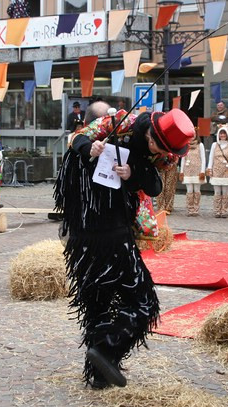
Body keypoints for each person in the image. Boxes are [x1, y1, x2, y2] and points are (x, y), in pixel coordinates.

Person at [53, 107, 194, 389]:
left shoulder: (162, 153)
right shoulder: (119, 123)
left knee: (104, 302)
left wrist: (133, 172)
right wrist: (90, 149)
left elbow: (154, 184)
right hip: (93, 229)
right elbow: (77, 139)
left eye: (162, 148)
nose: (156, 149)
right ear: (150, 130)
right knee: (135, 302)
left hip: (112, 227)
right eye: (155, 142)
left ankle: (99, 374)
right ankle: (106, 350)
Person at [206, 125, 228, 218]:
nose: (222, 135)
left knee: (225, 192)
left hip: (226, 171)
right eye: (221, 133)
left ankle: (224, 210)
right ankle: (217, 210)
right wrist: (209, 168)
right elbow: (211, 158)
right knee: (217, 192)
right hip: (216, 171)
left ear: (227, 134)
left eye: (224, 133)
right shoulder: (214, 145)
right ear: (218, 134)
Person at [180, 132, 206, 217]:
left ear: (196, 135)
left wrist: (202, 171)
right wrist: (181, 172)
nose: (192, 136)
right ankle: (190, 208)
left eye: (193, 134)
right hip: (187, 171)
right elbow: (183, 159)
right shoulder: (185, 145)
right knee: (190, 190)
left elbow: (203, 159)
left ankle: (196, 208)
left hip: (197, 171)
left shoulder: (200, 145)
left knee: (197, 191)